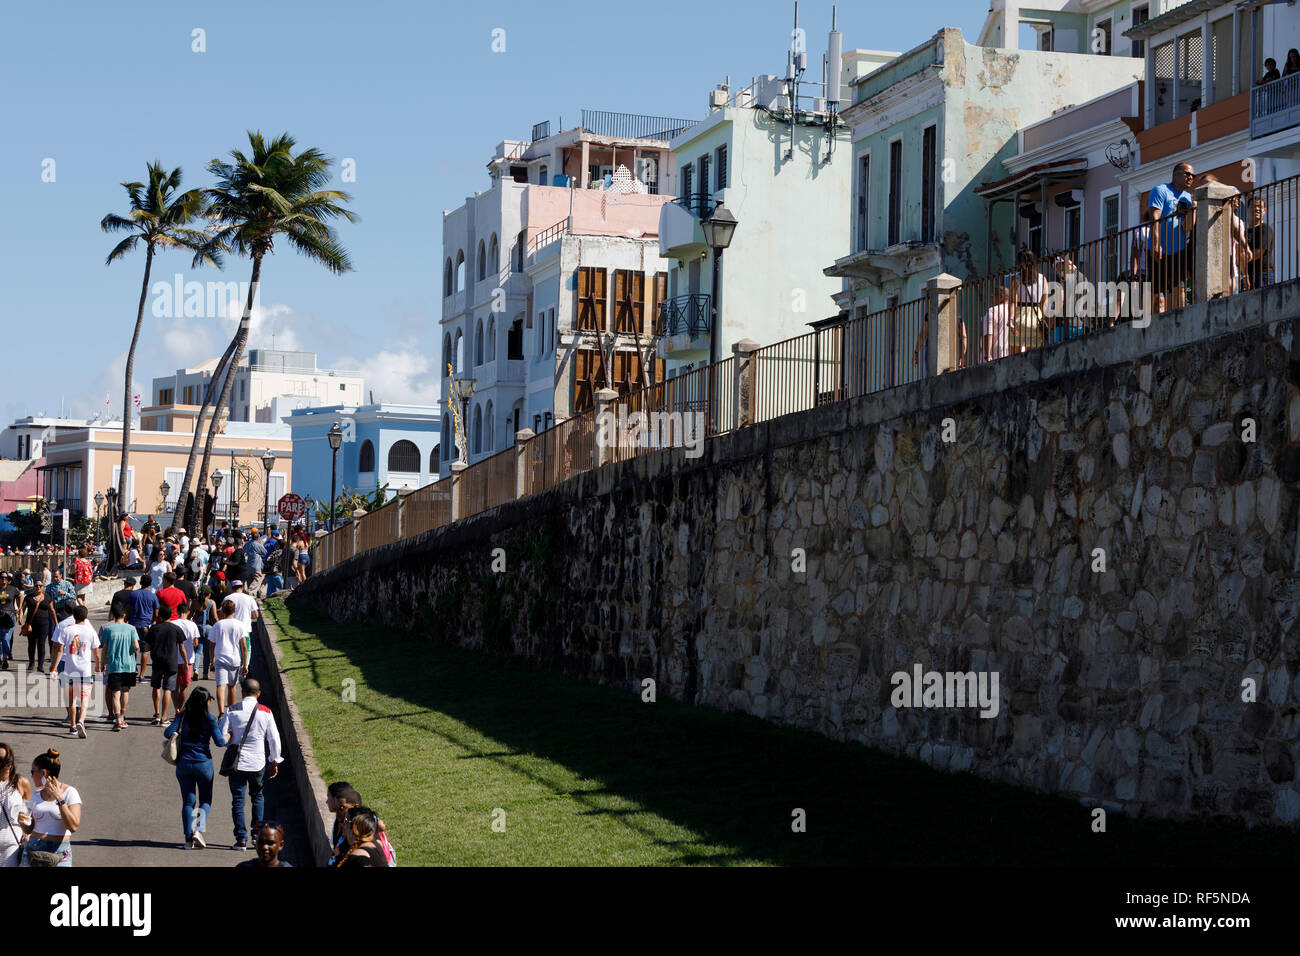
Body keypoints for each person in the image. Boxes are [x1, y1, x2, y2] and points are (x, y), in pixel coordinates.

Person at [218, 678, 283, 850]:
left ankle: (241, 839)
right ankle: (257, 835)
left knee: (238, 801)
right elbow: (274, 739)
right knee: (258, 798)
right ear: (259, 693)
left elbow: (221, 737)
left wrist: (231, 736)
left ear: (242, 692)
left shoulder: (231, 710)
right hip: (258, 762)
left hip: (237, 764)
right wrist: (274, 760)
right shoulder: (266, 712)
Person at [163, 686, 228, 849]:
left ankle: (187, 839)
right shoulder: (210, 719)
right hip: (203, 764)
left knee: (188, 802)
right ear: (205, 702)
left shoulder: (183, 716)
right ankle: (198, 831)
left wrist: (176, 720)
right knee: (205, 800)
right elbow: (220, 742)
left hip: (184, 763)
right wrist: (228, 735)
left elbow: (167, 733)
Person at [20, 749, 80, 867]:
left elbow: (73, 827)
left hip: (59, 853)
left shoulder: (70, 792)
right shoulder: (34, 795)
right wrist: (22, 822)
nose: (31, 776)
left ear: (44, 773)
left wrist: (59, 799)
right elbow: (28, 829)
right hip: (33, 849)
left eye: (33, 771)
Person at [1150, 161, 1196, 312]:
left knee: (1179, 287)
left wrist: (1194, 209)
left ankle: (1179, 317)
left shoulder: (1188, 198)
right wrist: (1156, 243)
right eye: (1187, 174)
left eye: (1192, 175)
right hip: (1160, 249)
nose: (1191, 178)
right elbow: (1155, 217)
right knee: (1160, 290)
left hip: (1179, 249)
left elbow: (1188, 226)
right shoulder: (1161, 190)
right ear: (1176, 174)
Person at [48, 605, 100, 739]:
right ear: (86, 616)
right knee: (85, 698)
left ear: (73, 616)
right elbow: (96, 651)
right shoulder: (90, 631)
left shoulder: (67, 630)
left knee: (71, 699)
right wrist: (98, 665)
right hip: (85, 670)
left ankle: (72, 726)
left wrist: (54, 667)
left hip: (70, 670)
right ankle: (81, 720)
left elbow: (59, 650)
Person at [99, 602, 138, 732]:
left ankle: (117, 721)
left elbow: (104, 649)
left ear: (113, 615)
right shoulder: (131, 628)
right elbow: (136, 646)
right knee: (125, 691)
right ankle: (123, 716)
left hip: (114, 665)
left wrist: (101, 664)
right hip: (129, 665)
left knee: (115, 694)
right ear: (124, 615)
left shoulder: (109, 629)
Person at [145, 606, 185, 726]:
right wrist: (185, 662)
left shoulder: (154, 628)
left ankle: (156, 714)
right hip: (171, 662)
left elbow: (146, 647)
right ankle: (164, 717)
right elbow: (182, 648)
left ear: (160, 616)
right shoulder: (176, 629)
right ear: (171, 614)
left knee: (156, 687)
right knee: (168, 689)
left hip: (157, 661)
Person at [208, 600, 248, 717]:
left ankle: (221, 712)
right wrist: (245, 664)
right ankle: (230, 711)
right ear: (234, 610)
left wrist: (212, 660)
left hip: (220, 658)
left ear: (223, 611)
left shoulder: (218, 625)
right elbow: (244, 646)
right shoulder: (240, 625)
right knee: (232, 686)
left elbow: (212, 645)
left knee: (221, 685)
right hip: (235, 659)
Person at [1010, 248, 1048, 351]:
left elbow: (1013, 301)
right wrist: (1043, 318)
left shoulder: (1016, 279)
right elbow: (1045, 303)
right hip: (1036, 317)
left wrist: (1011, 320)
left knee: (1015, 353)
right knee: (1034, 353)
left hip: (1019, 316)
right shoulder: (1042, 279)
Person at [0, 743, 31, 867]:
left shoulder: (21, 783)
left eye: (7, 759)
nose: (6, 763)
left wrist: (28, 833)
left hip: (12, 845)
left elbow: (29, 814)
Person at [123, 577, 159, 681]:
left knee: (132, 649)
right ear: (151, 583)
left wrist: (127, 619)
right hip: (145, 626)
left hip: (133, 624)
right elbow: (156, 613)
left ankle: (133, 670)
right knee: (144, 651)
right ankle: (142, 675)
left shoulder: (133, 594)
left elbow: (127, 608)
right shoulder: (153, 596)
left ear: (140, 583)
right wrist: (152, 621)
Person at [20, 580, 57, 673]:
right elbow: (22, 608)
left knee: (41, 644)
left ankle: (40, 665)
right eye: (36, 586)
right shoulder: (28, 597)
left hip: (44, 625)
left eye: (40, 585)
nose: (38, 587)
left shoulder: (48, 598)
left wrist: (57, 623)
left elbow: (52, 610)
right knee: (31, 644)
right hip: (31, 625)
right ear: (34, 587)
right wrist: (20, 617)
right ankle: (31, 662)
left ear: (43, 587)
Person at [226, 580, 259, 669]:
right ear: (242, 587)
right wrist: (248, 617)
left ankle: (233, 667)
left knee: (231, 649)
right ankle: (245, 666)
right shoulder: (249, 598)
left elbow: (222, 614)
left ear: (232, 588)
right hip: (245, 628)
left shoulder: (228, 598)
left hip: (230, 628)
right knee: (246, 648)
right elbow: (256, 615)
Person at [1246, 195, 1274, 290]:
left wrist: (1240, 260)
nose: (1257, 209)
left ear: (1264, 210)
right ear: (1247, 209)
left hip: (1262, 273)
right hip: (1247, 275)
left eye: (1260, 207)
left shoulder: (1264, 228)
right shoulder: (1244, 232)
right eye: (1253, 206)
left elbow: (1259, 252)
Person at [982, 284, 1013, 362]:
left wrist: (987, 354)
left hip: (996, 353)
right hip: (1013, 352)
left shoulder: (993, 310)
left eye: (993, 296)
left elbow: (988, 333)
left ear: (1001, 296)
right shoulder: (1014, 312)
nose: (992, 298)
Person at [0, 571, 20, 671]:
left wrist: (19, 608)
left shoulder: (12, 589)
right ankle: (2, 659)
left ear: (8, 579)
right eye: (1, 577)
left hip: (9, 617)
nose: (3, 579)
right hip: (0, 616)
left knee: (5, 638)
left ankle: (5, 658)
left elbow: (20, 596)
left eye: (5, 577)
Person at [242, 531, 267, 598]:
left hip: (248, 567)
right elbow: (265, 553)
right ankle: (249, 592)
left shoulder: (246, 544)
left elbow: (243, 552)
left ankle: (250, 600)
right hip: (256, 567)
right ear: (258, 538)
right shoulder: (257, 544)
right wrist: (261, 545)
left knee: (249, 582)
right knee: (257, 580)